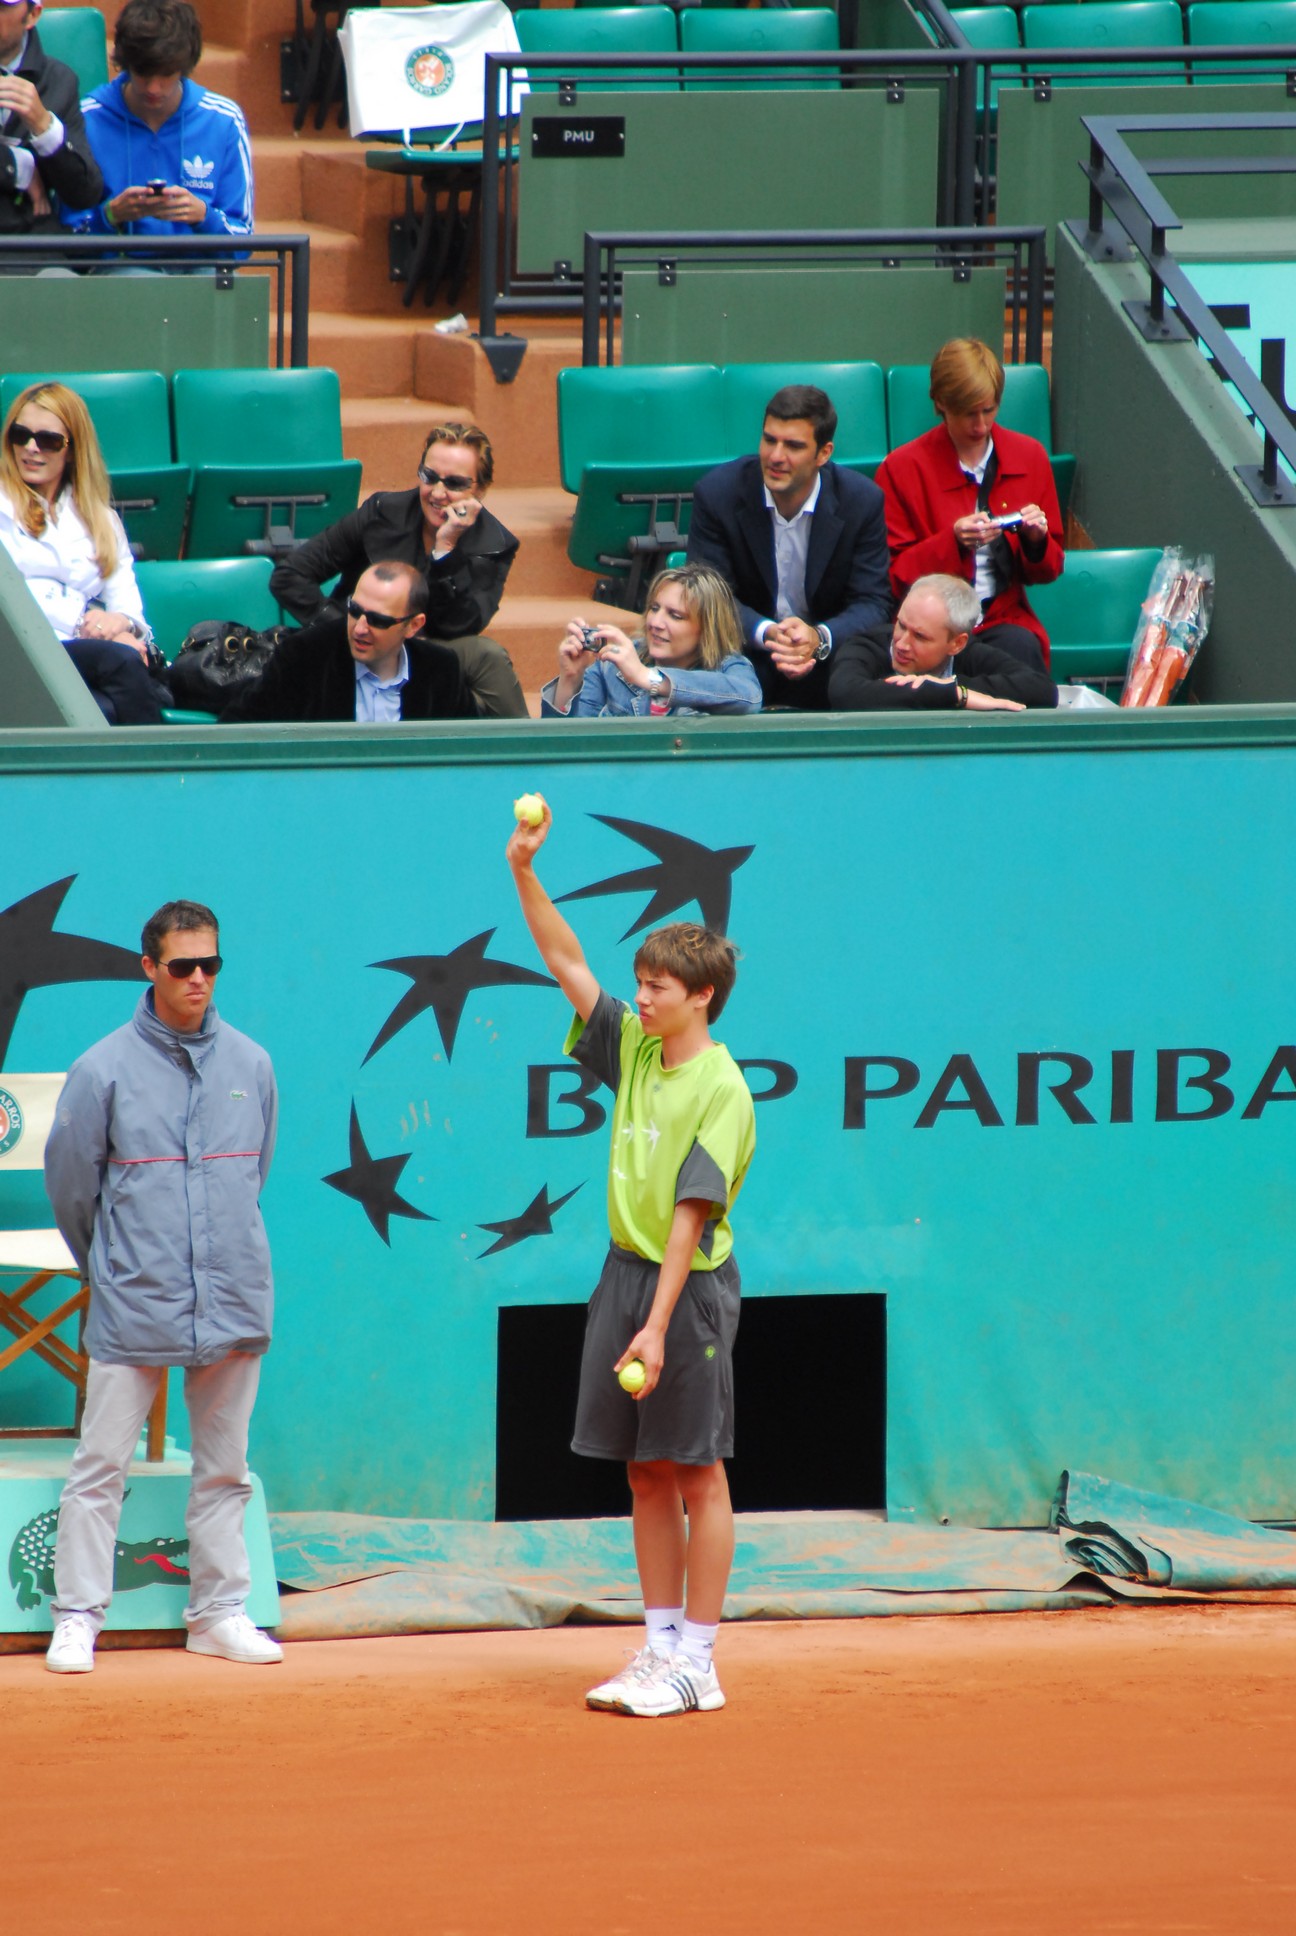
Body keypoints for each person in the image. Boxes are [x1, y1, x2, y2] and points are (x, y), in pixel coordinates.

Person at [507, 802, 756, 1718]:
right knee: (644, 1471)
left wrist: (654, 1324)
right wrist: (525, 871)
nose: (640, 996)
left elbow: (692, 1217)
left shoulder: (720, 1087)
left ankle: (700, 1658)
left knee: (699, 1470)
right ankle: (657, 1649)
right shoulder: (639, 1051)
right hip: (624, 1275)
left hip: (681, 1294)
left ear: (703, 999)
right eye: (640, 983)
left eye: (657, 987)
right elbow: (567, 963)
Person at [43, 898, 281, 1674]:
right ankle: (78, 1616)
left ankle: (217, 1613)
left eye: (211, 965)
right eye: (183, 966)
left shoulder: (252, 1064)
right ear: (149, 968)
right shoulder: (101, 1068)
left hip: (234, 1296)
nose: (199, 980)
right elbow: (73, 1189)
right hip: (132, 1300)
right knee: (99, 1467)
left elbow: (254, 1177)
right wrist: (114, 1267)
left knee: (224, 1469)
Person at [270, 422, 526, 718]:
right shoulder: (381, 512)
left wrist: (446, 549)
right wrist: (351, 628)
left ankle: (527, 753)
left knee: (487, 657)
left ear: (480, 490)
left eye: (454, 483)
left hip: (429, 651)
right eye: (429, 477)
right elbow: (289, 576)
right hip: (358, 644)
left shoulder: (494, 543)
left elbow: (461, 626)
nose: (438, 493)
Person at [686, 383, 891, 712]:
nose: (776, 457)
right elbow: (707, 594)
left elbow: (873, 602)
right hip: (744, 650)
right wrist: (768, 634)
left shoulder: (861, 501)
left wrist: (818, 638)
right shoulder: (717, 494)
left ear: (824, 453)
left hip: (828, 653)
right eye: (769, 440)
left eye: (793, 446)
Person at [874, 338, 1064, 673]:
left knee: (1022, 656)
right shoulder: (901, 468)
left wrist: (1037, 542)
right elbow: (891, 577)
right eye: (967, 413)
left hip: (1001, 620)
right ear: (941, 404)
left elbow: (1049, 569)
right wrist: (952, 542)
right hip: (927, 629)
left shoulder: (1030, 456)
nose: (980, 425)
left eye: (989, 410)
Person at [0, 380, 168, 723]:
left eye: (47, 440)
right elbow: (17, 598)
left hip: (80, 653)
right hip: (19, 650)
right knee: (120, 662)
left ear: (73, 449)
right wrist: (86, 624)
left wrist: (119, 623)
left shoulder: (99, 518)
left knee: (117, 688)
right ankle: (163, 771)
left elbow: (127, 601)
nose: (31, 449)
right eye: (21, 435)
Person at [64, 0, 253, 244]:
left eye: (166, 74)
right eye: (143, 73)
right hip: (120, 272)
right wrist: (111, 216)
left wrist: (204, 217)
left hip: (203, 271)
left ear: (184, 67)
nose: (154, 88)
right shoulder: (87, 118)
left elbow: (243, 241)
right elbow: (68, 240)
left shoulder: (224, 120)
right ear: (127, 65)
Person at [219, 560, 476, 725]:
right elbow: (236, 727)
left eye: (377, 620)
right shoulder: (304, 655)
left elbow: (471, 750)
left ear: (413, 625)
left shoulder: (441, 670)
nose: (360, 628)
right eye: (354, 610)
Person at [542, 563, 761, 718]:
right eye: (654, 609)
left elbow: (749, 698)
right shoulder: (612, 664)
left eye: (675, 616)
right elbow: (571, 749)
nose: (655, 622)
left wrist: (646, 677)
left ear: (707, 629)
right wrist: (570, 680)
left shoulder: (729, 666)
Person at [829, 574, 1057, 711]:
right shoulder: (867, 646)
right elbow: (845, 693)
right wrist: (954, 695)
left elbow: (1043, 691)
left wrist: (954, 687)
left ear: (957, 644)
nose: (901, 644)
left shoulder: (970, 655)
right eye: (901, 625)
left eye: (920, 636)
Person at [0, 0, 103, 236]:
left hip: (31, 242)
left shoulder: (59, 81)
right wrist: (16, 166)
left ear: (33, 14)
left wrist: (45, 129)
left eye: (2, 6)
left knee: (57, 274)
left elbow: (84, 194)